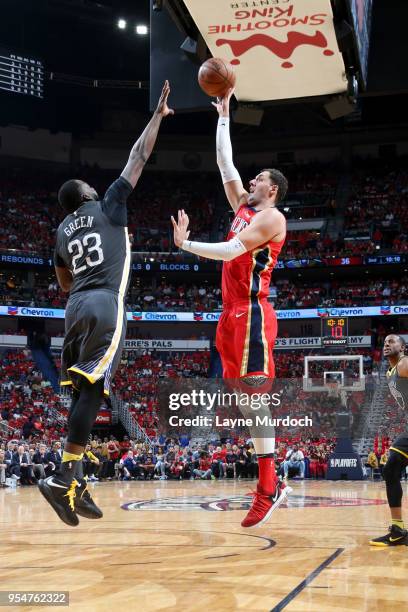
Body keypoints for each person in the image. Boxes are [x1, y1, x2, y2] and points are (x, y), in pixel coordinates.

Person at [38, 81, 174, 526]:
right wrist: (156, 117)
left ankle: (76, 482)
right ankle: (62, 477)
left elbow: (62, 283)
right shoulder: (109, 205)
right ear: (87, 194)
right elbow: (138, 157)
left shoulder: (61, 232)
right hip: (103, 303)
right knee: (95, 390)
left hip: (73, 307)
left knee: (85, 392)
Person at [171, 87, 290, 527]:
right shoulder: (244, 205)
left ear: (272, 189)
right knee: (242, 400)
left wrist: (185, 245)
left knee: (255, 398)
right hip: (230, 312)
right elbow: (225, 163)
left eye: (259, 178)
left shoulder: (271, 218)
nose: (251, 180)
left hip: (252, 311)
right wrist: (223, 116)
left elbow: (230, 250)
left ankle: (269, 483)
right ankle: (269, 478)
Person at [370, 335, 408, 546]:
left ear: (402, 347)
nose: (386, 344)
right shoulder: (390, 372)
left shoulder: (404, 363)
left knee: (391, 467)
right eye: (384, 342)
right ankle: (398, 529)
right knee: (391, 468)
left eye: (392, 341)